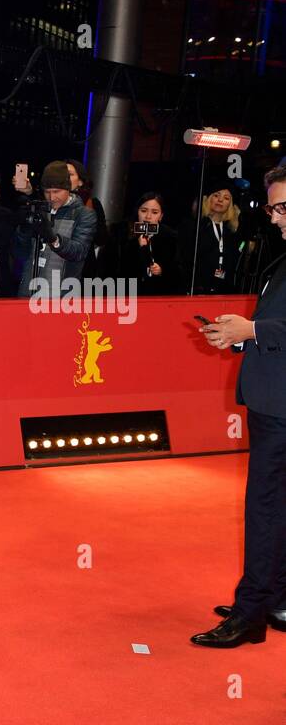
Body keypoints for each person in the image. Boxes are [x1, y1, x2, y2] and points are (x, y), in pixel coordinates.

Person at [192, 166, 286, 648]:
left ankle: (251, 614)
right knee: (277, 508)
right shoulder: (281, 258)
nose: (275, 218)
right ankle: (272, 599)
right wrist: (240, 334)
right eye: (272, 207)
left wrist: (251, 333)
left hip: (281, 407)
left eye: (283, 208)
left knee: (265, 509)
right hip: (273, 398)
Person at [13, 160, 98, 297]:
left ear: (68, 188)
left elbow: (79, 252)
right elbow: (19, 252)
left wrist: (54, 239)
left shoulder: (83, 214)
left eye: (57, 191)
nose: (52, 197)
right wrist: (24, 229)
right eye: (47, 192)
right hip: (28, 290)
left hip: (62, 294)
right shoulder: (39, 210)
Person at [101, 192, 182, 295]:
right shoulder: (121, 232)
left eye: (154, 212)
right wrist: (136, 246)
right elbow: (110, 268)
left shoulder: (170, 236)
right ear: (137, 212)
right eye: (143, 211)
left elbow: (178, 272)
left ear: (161, 216)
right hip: (126, 295)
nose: (148, 217)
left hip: (157, 296)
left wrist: (162, 270)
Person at [181, 181, 241, 295]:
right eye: (216, 195)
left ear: (230, 205)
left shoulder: (230, 231)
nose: (220, 200)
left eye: (226, 198)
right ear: (207, 199)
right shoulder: (194, 226)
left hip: (223, 290)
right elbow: (186, 257)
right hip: (197, 288)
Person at [65, 159, 108, 277]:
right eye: (61, 174)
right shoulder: (51, 202)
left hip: (83, 267)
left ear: (80, 181)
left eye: (70, 174)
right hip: (55, 264)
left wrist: (86, 219)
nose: (64, 178)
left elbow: (101, 238)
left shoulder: (92, 204)